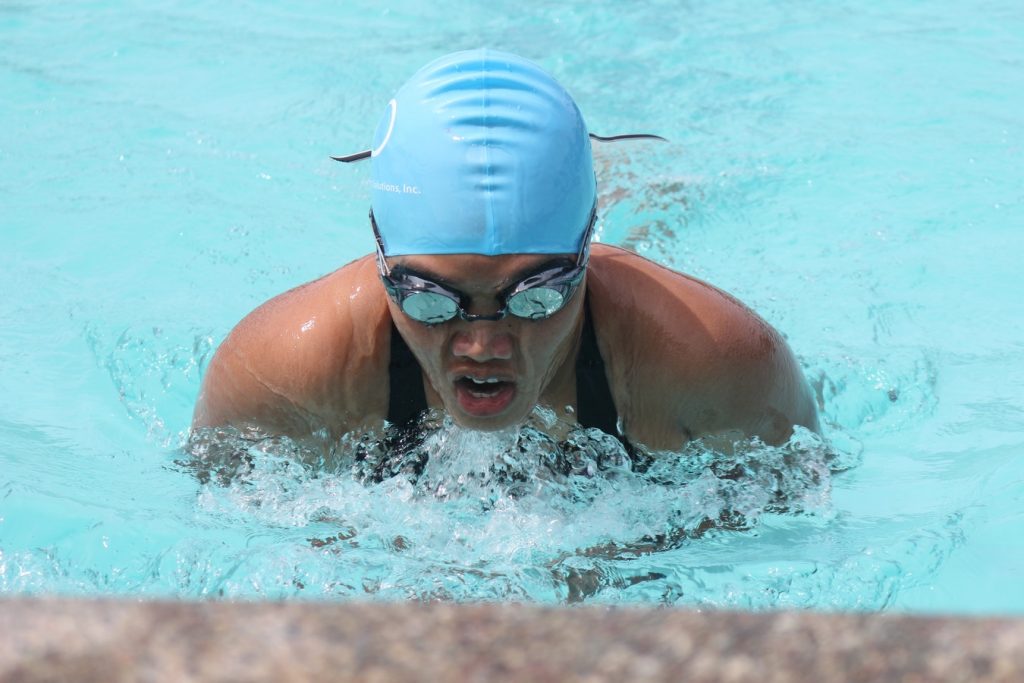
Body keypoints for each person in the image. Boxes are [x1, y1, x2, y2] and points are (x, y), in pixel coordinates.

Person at [191, 49, 819, 456]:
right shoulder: (277, 373)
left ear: (582, 257)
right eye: (430, 299)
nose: (483, 345)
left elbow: (792, 531)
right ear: (379, 258)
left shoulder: (719, 362)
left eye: (536, 294)